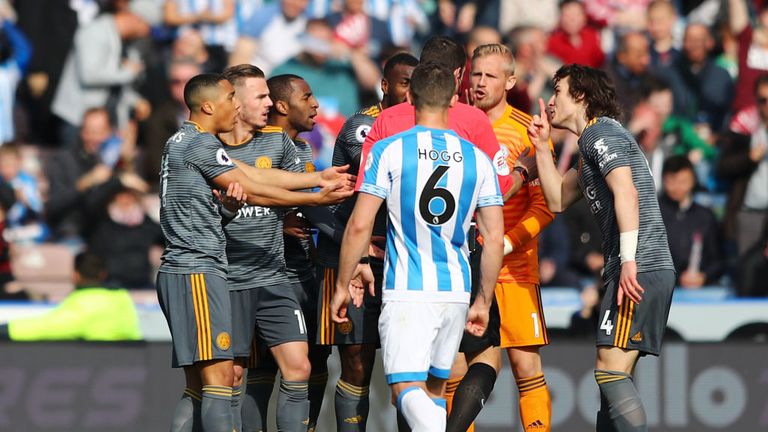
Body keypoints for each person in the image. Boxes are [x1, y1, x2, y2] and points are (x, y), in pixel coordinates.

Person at [157, 72, 353, 432]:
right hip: (198, 270)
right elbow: (251, 185)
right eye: (231, 97)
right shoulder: (201, 144)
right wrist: (314, 196)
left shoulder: (183, 142)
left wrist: (317, 178)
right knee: (218, 382)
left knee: (204, 386)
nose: (236, 104)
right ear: (208, 106)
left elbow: (249, 174)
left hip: (194, 270)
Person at [331, 62, 505, 432]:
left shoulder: (389, 150)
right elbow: (492, 238)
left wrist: (342, 284)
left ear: (409, 98)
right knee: (434, 392)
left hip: (409, 290)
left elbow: (360, 224)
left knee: (405, 388)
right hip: (456, 289)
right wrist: (484, 300)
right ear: (454, 100)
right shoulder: (478, 159)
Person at [524, 64, 675, 431]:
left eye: (557, 90)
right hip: (641, 266)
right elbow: (558, 199)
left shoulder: (600, 134)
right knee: (612, 378)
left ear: (580, 96)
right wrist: (542, 148)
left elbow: (627, 192)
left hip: (639, 266)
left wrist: (627, 261)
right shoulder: (591, 143)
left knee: (609, 370)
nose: (551, 99)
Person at [448, 43, 555, 432]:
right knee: (456, 371)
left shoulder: (529, 133)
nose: (479, 83)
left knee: (526, 369)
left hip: (514, 270)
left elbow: (545, 207)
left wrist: (505, 242)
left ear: (510, 81)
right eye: (475, 74)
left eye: (490, 76)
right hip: (460, 269)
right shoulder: (450, 124)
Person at [314, 52, 417, 431]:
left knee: (409, 362)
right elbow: (381, 183)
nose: (409, 92)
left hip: (401, 258)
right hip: (355, 253)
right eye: (403, 83)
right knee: (356, 357)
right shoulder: (364, 126)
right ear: (385, 86)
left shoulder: (427, 129)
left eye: (415, 83)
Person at [355, 36, 517, 201]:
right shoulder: (475, 119)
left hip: (393, 223)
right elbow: (501, 190)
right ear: (458, 74)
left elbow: (366, 186)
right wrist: (523, 171)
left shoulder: (386, 118)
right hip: (459, 225)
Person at [0, 251, 142, 341]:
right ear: (103, 274)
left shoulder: (82, 306)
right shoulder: (123, 300)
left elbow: (44, 327)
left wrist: (6, 329)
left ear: (75, 275)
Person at [658, 155, 725, 288]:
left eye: (683, 181)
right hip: (663, 288)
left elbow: (718, 260)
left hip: (701, 291)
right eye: (671, 181)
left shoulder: (705, 216)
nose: (677, 187)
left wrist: (704, 276)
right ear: (664, 181)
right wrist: (676, 277)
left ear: (693, 180)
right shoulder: (654, 214)